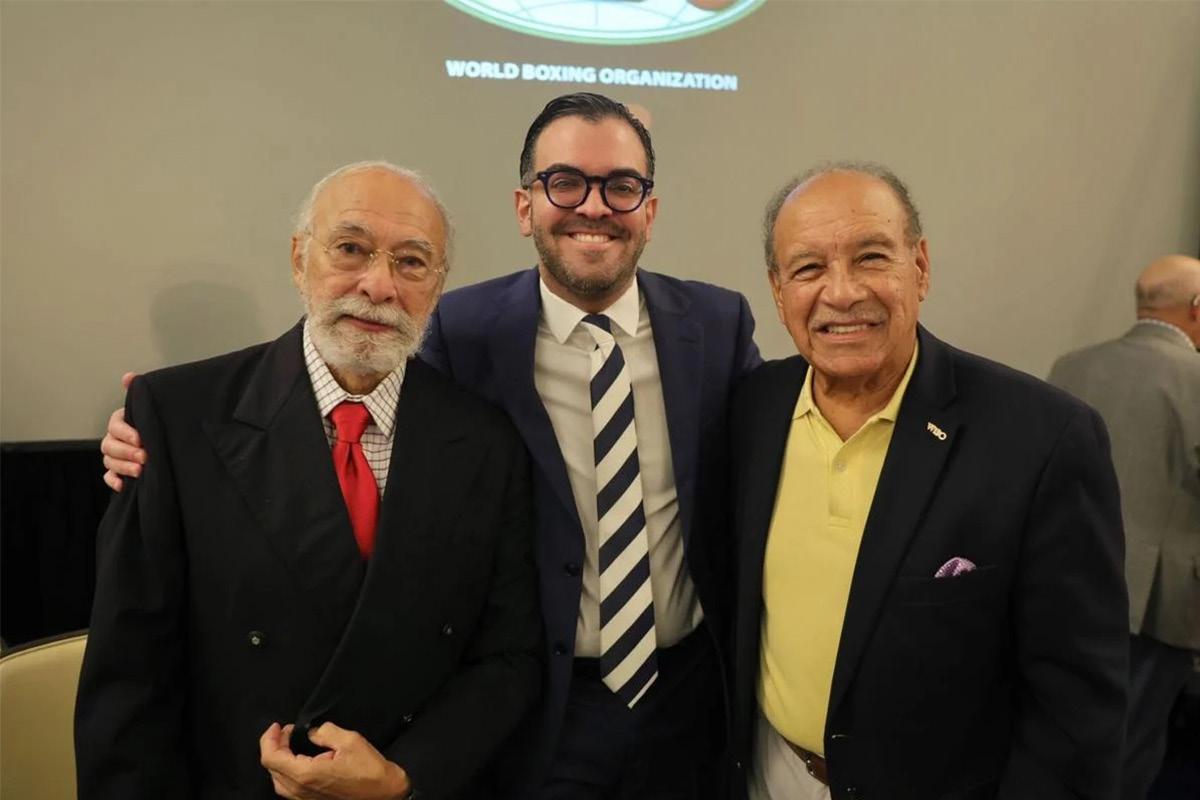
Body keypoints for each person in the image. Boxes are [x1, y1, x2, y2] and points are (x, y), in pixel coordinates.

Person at [101, 93, 760, 798]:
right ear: (525, 207)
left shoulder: (716, 324)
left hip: (687, 698)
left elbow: (770, 441)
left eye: (621, 186)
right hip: (538, 713)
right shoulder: (463, 329)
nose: (593, 206)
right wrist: (171, 432)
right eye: (565, 182)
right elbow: (350, 386)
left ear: (649, 211)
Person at [76, 161, 542, 800]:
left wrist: (404, 777)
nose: (378, 285)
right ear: (299, 259)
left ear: (437, 287)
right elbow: (129, 672)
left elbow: (507, 656)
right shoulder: (178, 417)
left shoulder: (485, 441)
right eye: (351, 249)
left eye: (411, 262)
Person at [729, 163, 1128, 799]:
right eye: (808, 268)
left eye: (870, 257)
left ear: (920, 267)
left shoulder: (1043, 439)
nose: (841, 293)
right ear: (778, 293)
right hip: (767, 773)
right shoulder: (751, 409)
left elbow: (1077, 707)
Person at [1048, 254, 1200, 800]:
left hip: (1058, 584)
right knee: (1129, 750)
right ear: (1196, 307)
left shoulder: (1071, 367)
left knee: (1060, 739)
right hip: (1153, 605)